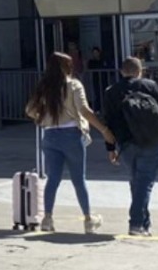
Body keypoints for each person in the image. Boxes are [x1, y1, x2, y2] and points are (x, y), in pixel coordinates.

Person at [24, 51, 115, 233]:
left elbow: (29, 110)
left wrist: (41, 117)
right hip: (71, 134)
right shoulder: (73, 85)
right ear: (68, 67)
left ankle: (47, 218)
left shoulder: (44, 87)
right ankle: (88, 219)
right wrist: (104, 130)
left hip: (49, 135)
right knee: (78, 179)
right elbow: (84, 110)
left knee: (53, 179)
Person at [101, 56, 158, 236]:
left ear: (121, 71)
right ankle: (137, 223)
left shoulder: (111, 92)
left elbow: (107, 122)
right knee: (144, 184)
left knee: (137, 183)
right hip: (151, 141)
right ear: (140, 71)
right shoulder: (149, 86)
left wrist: (110, 148)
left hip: (125, 143)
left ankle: (144, 224)